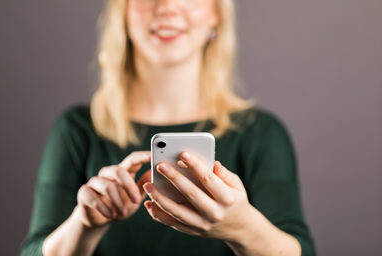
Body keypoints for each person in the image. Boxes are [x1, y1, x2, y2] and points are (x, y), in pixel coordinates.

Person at [20, 0, 316, 255]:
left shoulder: (262, 134)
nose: (167, 7)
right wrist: (84, 225)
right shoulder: (77, 130)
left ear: (216, 13)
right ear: (122, 12)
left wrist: (243, 228)